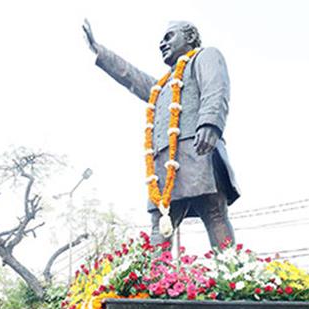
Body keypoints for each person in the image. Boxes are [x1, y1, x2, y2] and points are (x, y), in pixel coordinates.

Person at [82, 19, 240, 248]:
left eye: (169, 37)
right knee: (160, 225)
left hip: (198, 150)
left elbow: (216, 88)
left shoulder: (205, 56)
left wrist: (209, 124)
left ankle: (231, 275)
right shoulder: (161, 87)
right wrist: (100, 52)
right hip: (164, 163)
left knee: (214, 212)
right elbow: (131, 77)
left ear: (190, 38)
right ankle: (156, 281)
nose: (162, 43)